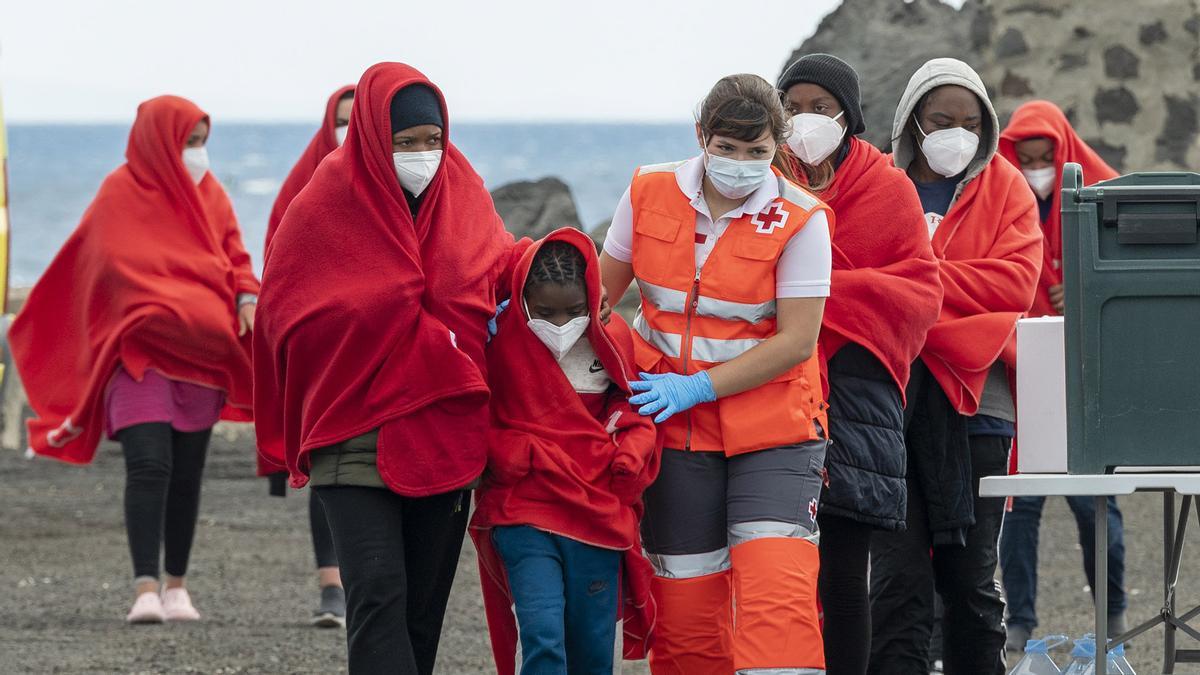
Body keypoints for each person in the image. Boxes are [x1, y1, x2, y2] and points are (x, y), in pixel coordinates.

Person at [252, 62, 530, 675]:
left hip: (445, 434)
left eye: (433, 140)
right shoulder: (324, 203)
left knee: (422, 615)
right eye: (407, 143)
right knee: (377, 598)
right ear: (376, 140)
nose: (423, 154)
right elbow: (284, 310)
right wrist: (392, 314)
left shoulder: (466, 195)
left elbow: (504, 266)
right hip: (350, 431)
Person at [599, 73, 833, 674]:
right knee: (684, 614)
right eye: (726, 148)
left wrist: (698, 385)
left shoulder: (803, 218)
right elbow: (600, 299)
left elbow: (797, 341)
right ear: (701, 135)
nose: (739, 163)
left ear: (776, 147)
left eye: (756, 152)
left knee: (776, 601)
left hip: (775, 429)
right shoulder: (647, 190)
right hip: (675, 429)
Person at [8, 95, 260, 624]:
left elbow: (235, 258)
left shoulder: (210, 195)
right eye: (188, 142)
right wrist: (154, 302)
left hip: (202, 356)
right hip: (137, 356)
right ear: (158, 141)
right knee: (149, 465)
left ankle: (177, 586)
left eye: (202, 143)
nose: (197, 155)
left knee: (188, 472)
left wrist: (245, 296)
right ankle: (145, 586)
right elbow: (105, 264)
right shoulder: (118, 193)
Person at [866, 58, 1042, 675]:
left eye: (971, 122)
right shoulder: (879, 188)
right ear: (913, 118)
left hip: (981, 405)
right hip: (887, 408)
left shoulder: (1008, 189)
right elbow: (855, 286)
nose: (956, 134)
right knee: (898, 579)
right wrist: (956, 307)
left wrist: (915, 288)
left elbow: (1016, 285)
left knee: (971, 581)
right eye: (942, 120)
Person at [777, 54, 943, 675]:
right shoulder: (765, 181)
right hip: (777, 390)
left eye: (820, 108)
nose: (804, 120)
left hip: (857, 397)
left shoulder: (887, 188)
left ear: (849, 116)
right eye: (791, 107)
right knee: (777, 567)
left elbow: (920, 291)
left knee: (845, 575)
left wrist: (814, 297)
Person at [470, 227, 659, 675]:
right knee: (542, 635)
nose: (560, 326)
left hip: (596, 510)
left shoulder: (612, 337)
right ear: (522, 299)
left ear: (594, 298)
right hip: (523, 508)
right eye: (545, 312)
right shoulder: (499, 340)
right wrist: (510, 451)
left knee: (593, 645)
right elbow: (479, 412)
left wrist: (629, 455)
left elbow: (633, 408)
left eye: (574, 311)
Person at [997, 99, 1127, 650]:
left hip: (1085, 374)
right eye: (1022, 159)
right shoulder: (1001, 199)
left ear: (1063, 151)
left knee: (1095, 501)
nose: (1033, 169)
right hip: (1018, 369)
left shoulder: (1104, 194)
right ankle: (1018, 622)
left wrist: (1081, 289)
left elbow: (1127, 277)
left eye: (1042, 158)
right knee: (1019, 505)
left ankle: (1114, 616)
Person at [259, 83, 355, 629]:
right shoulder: (304, 186)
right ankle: (331, 586)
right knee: (328, 463)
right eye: (338, 121)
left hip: (385, 356)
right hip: (320, 357)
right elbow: (278, 268)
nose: (346, 132)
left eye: (354, 121)